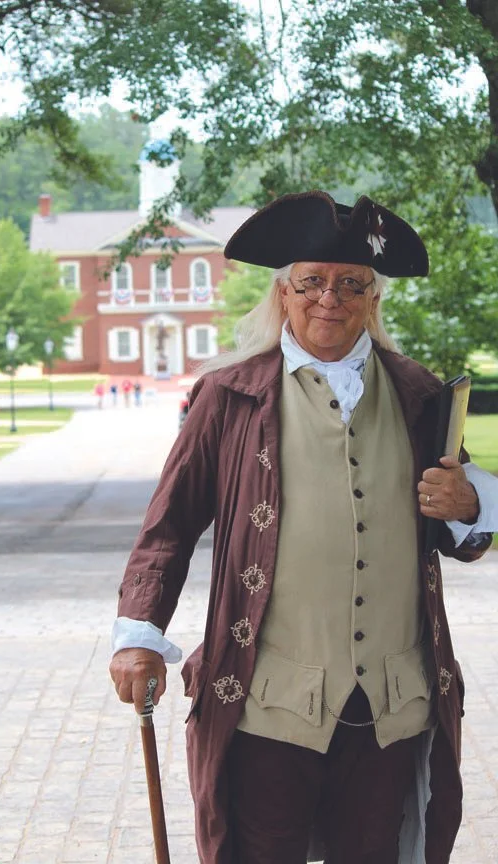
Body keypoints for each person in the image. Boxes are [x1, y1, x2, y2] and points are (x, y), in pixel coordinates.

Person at [109, 191, 497, 864]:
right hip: (265, 700)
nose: (330, 298)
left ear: (373, 300)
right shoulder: (229, 398)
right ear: (283, 295)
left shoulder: (420, 395)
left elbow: (463, 522)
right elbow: (168, 526)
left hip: (392, 702)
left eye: (351, 284)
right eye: (312, 282)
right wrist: (139, 635)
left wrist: (467, 505)